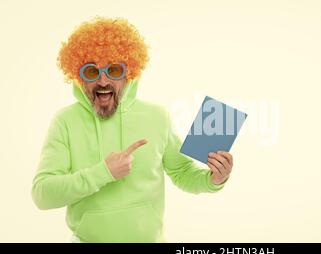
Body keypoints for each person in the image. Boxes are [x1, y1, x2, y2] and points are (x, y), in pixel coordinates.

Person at [31, 17, 233, 242]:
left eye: (114, 69)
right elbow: (43, 194)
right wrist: (103, 172)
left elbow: (182, 172)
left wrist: (213, 179)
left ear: (129, 73)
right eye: (91, 72)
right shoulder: (65, 121)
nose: (103, 81)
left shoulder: (157, 116)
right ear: (78, 77)